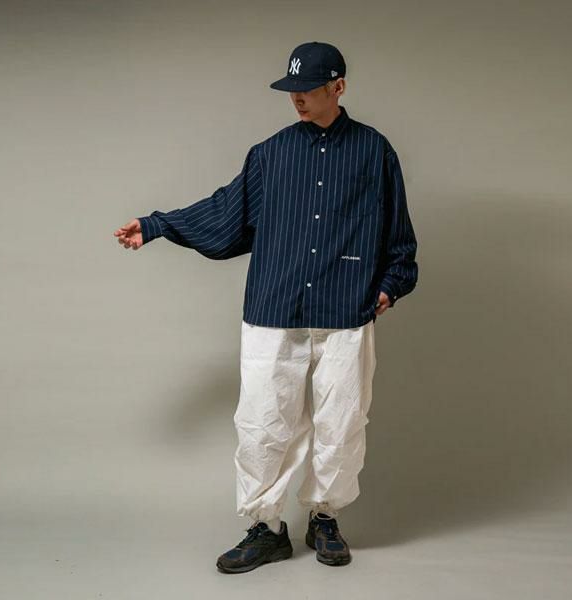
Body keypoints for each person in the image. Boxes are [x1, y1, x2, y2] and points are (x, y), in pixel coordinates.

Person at [113, 41, 418, 573]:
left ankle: (325, 518)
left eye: (308, 89)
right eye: (291, 90)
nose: (297, 98)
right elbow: (227, 212)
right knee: (262, 420)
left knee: (342, 421)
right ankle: (266, 528)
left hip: (345, 310)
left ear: (338, 87)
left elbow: (398, 232)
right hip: (275, 306)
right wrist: (159, 225)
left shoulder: (375, 151)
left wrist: (390, 285)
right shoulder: (270, 153)